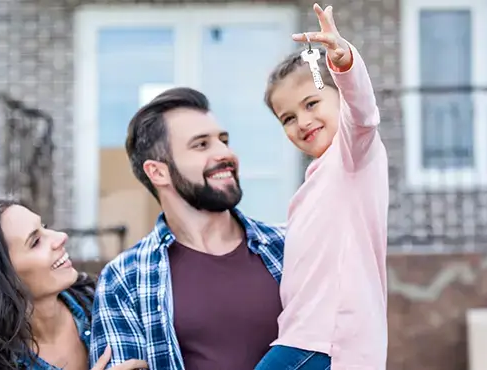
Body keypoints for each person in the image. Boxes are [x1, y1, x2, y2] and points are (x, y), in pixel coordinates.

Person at [89, 87, 286, 370]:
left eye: (224, 140)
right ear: (158, 172)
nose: (225, 153)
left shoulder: (289, 246)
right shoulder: (124, 279)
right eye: (201, 145)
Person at [255, 3, 388, 370]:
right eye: (288, 118)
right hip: (309, 340)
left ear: (341, 98)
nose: (303, 121)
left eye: (312, 103)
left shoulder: (355, 153)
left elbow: (363, 115)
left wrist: (343, 64)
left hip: (326, 343)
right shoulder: (314, 182)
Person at [0, 199, 148, 370]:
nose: (61, 237)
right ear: (2, 278)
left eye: (45, 228)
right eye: (35, 242)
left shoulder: (110, 301)